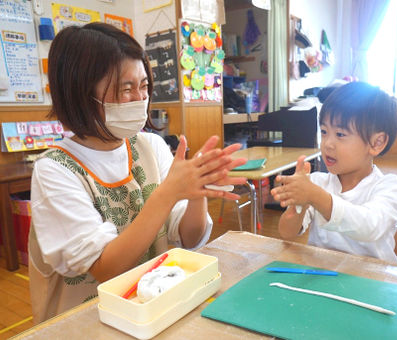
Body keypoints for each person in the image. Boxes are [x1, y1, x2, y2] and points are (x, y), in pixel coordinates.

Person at [28, 22, 246, 323]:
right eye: (125, 89)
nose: (139, 99)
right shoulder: (54, 170)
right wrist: (169, 191)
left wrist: (198, 193)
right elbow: (105, 267)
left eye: (143, 86)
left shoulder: (150, 146)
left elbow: (190, 237)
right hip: (85, 323)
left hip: (149, 312)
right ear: (80, 92)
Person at [271, 82, 397, 263]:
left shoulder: (388, 186)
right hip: (323, 277)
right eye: (324, 132)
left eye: (340, 134)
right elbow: (287, 233)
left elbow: (370, 226)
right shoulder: (318, 182)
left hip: (371, 282)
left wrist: (314, 196)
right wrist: (296, 205)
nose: (327, 144)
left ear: (377, 143)